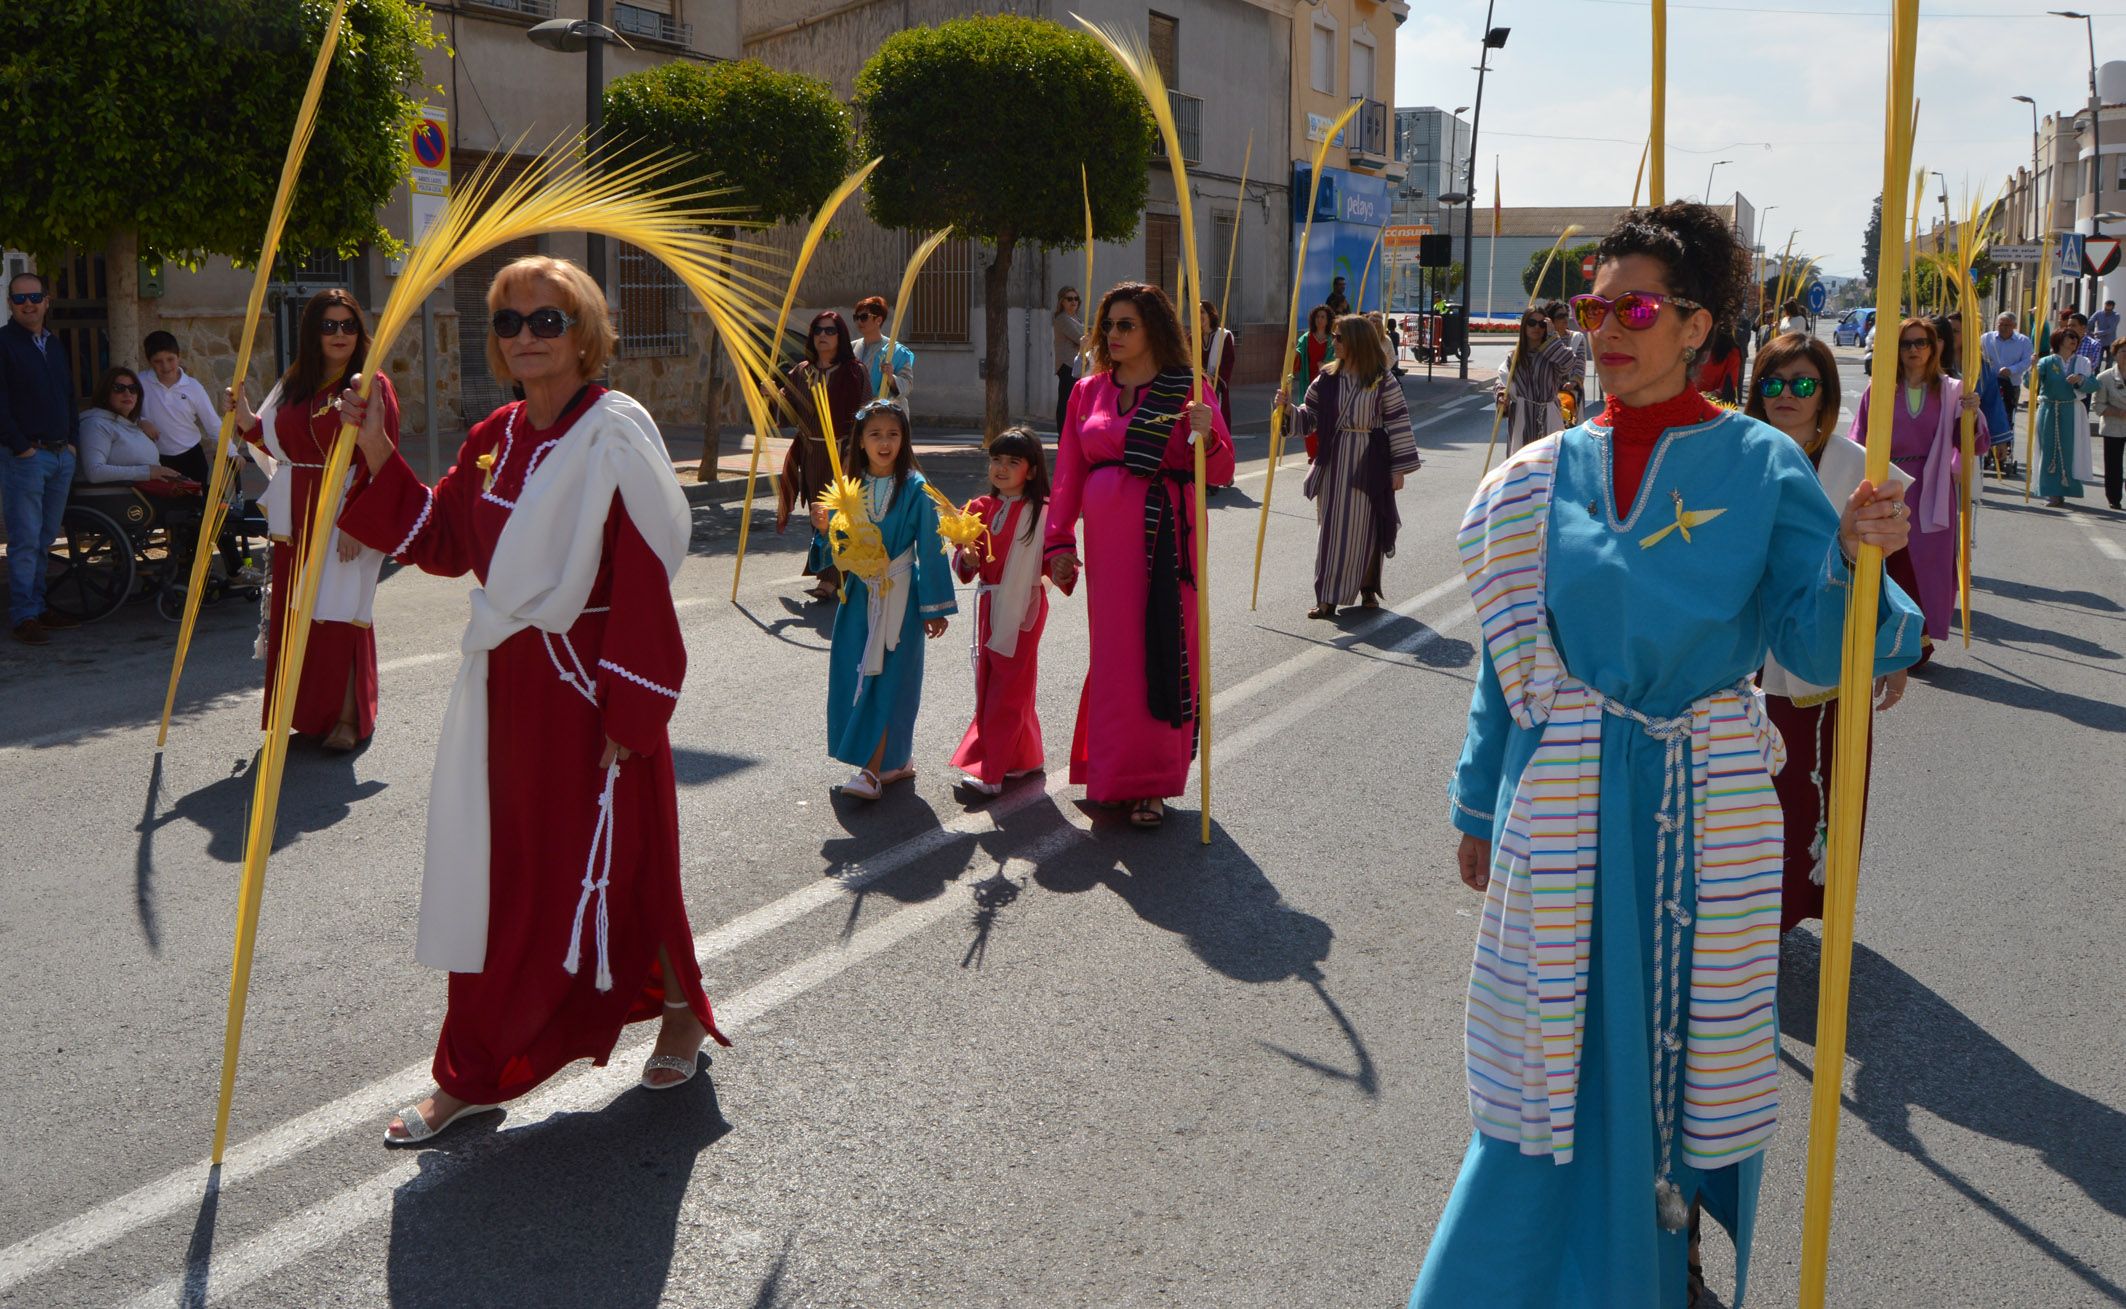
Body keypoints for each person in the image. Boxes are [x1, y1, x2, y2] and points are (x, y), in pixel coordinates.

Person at [1414, 201, 1921, 1309]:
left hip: (1703, 815)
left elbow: (1813, 639)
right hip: (1556, 807)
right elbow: (1508, 664)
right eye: (1593, 305)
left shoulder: (1757, 462)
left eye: (1632, 306)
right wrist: (1472, 803)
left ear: (1697, 325)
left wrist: (1853, 553)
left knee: (1677, 1068)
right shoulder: (1533, 476)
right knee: (1545, 1076)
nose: (1603, 327)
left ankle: (1655, 1262)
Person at [335, 254, 730, 1143]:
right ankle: (474, 1070)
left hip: (597, 693)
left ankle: (676, 1009)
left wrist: (630, 715)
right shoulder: (491, 438)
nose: (524, 336)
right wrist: (372, 449)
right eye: (509, 322)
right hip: (507, 694)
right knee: (499, 875)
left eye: (545, 320)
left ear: (584, 331)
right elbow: (438, 537)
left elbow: (640, 577)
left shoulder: (614, 433)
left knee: (621, 866)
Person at [1044, 282, 1234, 830]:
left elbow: (1219, 470)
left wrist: (1208, 434)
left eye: (1126, 324)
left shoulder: (1189, 389)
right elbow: (1068, 474)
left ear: (1153, 328)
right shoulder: (1088, 392)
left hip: (1166, 542)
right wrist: (1059, 541)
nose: (1114, 335)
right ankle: (1111, 773)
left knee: (1160, 648)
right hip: (1107, 549)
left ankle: (1151, 786)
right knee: (1116, 657)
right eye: (1109, 325)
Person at [1744, 332, 1911, 931]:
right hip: (1741, 657)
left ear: (1825, 395)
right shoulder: (1733, 457)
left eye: (1803, 384)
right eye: (1774, 382)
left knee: (1821, 791)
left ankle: (1809, 908)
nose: (1787, 394)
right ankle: (1749, 919)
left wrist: (1894, 656)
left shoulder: (1856, 469)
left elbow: (1895, 565)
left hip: (1829, 653)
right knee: (1750, 796)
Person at [229, 289, 395, 752]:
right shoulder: (295, 382)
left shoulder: (370, 385)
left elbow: (383, 461)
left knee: (343, 612)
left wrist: (358, 523)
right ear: (311, 333)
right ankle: (309, 712)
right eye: (328, 325)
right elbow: (274, 445)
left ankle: (347, 715)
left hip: (346, 510)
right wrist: (242, 415)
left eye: (347, 325)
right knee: (299, 613)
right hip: (297, 513)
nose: (339, 334)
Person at [820, 399, 955, 799]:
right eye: (875, 434)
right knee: (856, 674)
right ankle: (895, 760)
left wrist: (934, 607)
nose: (884, 442)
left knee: (888, 680)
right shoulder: (849, 488)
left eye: (893, 434)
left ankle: (871, 770)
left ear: (904, 440)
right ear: (860, 441)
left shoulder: (915, 488)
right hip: (859, 597)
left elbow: (931, 548)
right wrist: (824, 528)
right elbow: (834, 547)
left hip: (900, 596)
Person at [1848, 318, 1982, 669]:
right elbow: (1858, 439)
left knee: (1928, 569)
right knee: (1887, 564)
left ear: (1935, 346)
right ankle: (1885, 639)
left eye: (1921, 342)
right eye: (1906, 343)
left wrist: (1971, 415)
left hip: (1933, 489)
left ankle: (1920, 644)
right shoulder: (1879, 389)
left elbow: (1974, 444)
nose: (1914, 350)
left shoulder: (1952, 390)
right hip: (1890, 486)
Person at [1276, 313, 1422, 619]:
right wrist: (1287, 410)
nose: (1333, 342)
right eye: (1333, 335)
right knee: (1331, 529)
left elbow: (1398, 424)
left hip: (1370, 461)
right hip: (1334, 459)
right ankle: (1327, 596)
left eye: (1339, 337)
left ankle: (1367, 587)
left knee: (1366, 527)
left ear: (1356, 341)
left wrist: (1398, 469)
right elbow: (1309, 418)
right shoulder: (1326, 379)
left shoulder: (1383, 381)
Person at [950, 425, 1051, 796]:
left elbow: (1057, 561)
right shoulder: (978, 508)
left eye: (1013, 461)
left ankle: (991, 771)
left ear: (1033, 470)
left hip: (1024, 606)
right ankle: (1025, 757)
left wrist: (1063, 565)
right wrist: (967, 556)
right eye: (996, 459)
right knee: (993, 682)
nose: (1001, 468)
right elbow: (965, 569)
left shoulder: (1044, 513)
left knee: (1008, 686)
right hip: (990, 602)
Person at [0, 271, 80, 644]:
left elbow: (68, 395)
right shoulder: (3, 344)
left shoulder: (54, 344)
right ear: (10, 305)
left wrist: (73, 443)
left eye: (34, 297)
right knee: (25, 538)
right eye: (20, 299)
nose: (28, 304)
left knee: (45, 537)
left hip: (60, 455)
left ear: (47, 301)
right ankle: (24, 615)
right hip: (27, 457)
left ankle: (38, 605)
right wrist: (21, 446)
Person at [775, 309, 869, 601]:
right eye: (818, 330)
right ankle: (826, 570)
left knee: (841, 511)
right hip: (812, 451)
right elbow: (788, 412)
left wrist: (852, 453)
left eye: (830, 331)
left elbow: (864, 416)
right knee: (819, 513)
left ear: (840, 336)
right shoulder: (801, 371)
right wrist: (775, 397)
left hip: (843, 451)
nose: (823, 336)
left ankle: (834, 578)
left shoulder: (854, 371)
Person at [138, 330, 223, 483]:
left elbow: (213, 423)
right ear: (149, 361)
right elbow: (122, 413)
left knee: (196, 504)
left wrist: (232, 452)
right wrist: (141, 420)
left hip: (191, 458)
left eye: (170, 359)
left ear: (179, 357)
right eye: (158, 361)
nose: (165, 366)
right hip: (155, 459)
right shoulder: (139, 382)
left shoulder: (193, 387)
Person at [2031, 317, 2098, 508]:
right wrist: (2033, 367)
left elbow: (2094, 385)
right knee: (2049, 448)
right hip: (2049, 409)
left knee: (2069, 450)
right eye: (2070, 337)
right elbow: (2031, 383)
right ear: (2059, 340)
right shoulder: (2046, 362)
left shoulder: (2082, 362)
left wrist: (2080, 380)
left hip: (2072, 410)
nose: (2074, 341)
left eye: (2075, 338)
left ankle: (2066, 489)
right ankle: (2051, 492)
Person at [77, 367, 184, 485]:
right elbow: (94, 472)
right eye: (119, 388)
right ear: (105, 393)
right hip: (115, 499)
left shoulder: (135, 425)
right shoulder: (95, 424)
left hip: (145, 498)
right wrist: (147, 472)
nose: (127, 394)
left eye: (133, 389)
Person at [1493, 308, 1575, 454]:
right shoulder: (1514, 357)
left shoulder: (1551, 355)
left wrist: (1552, 336)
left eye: (1541, 324)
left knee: (1549, 465)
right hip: (1521, 419)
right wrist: (1501, 395)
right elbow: (1502, 380)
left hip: (1549, 416)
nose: (1537, 327)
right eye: (1532, 323)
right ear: (1524, 326)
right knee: (1521, 466)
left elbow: (1568, 362)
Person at [1980, 311, 2032, 475]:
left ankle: (2004, 453)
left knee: (2007, 416)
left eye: (2007, 325)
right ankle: (1986, 451)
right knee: (1986, 415)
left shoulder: (2023, 341)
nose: (2003, 328)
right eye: (2000, 324)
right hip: (1989, 383)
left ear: (2014, 326)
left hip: (2011, 384)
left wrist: (2012, 369)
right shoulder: (1986, 338)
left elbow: (2028, 360)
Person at [850, 295, 914, 402]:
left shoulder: (897, 350)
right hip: (859, 411)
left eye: (864, 317)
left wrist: (891, 378)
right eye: (856, 317)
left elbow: (908, 384)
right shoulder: (851, 347)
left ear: (878, 320)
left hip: (887, 412)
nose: (859, 321)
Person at [1294, 305, 1337, 462]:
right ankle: (1313, 453)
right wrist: (1294, 353)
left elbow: (1337, 359)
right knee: (1308, 416)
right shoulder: (1306, 338)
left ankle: (1323, 449)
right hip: (1308, 382)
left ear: (1328, 320)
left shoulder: (1333, 339)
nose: (1320, 319)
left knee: (1325, 418)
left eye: (1323, 317)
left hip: (1326, 384)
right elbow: (1297, 353)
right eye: (1318, 316)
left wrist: (1326, 364)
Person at [2095, 338, 2126, 510]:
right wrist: (2118, 412)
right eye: (2123, 352)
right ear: (2115, 354)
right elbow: (2097, 405)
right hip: (2113, 426)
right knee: (2113, 464)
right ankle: (2114, 498)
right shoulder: (2104, 377)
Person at [1052, 287, 1085, 434]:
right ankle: (1063, 437)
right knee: (1066, 403)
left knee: (1075, 403)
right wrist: (1086, 338)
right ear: (1062, 302)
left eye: (1076, 298)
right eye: (1069, 299)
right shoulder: (1062, 319)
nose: (1073, 302)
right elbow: (1080, 338)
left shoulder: (1076, 318)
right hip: (1067, 366)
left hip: (1077, 366)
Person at [1687, 321, 1742, 404]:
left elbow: (1729, 384)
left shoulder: (1732, 352)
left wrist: (1709, 396)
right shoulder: (1694, 345)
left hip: (1714, 405)